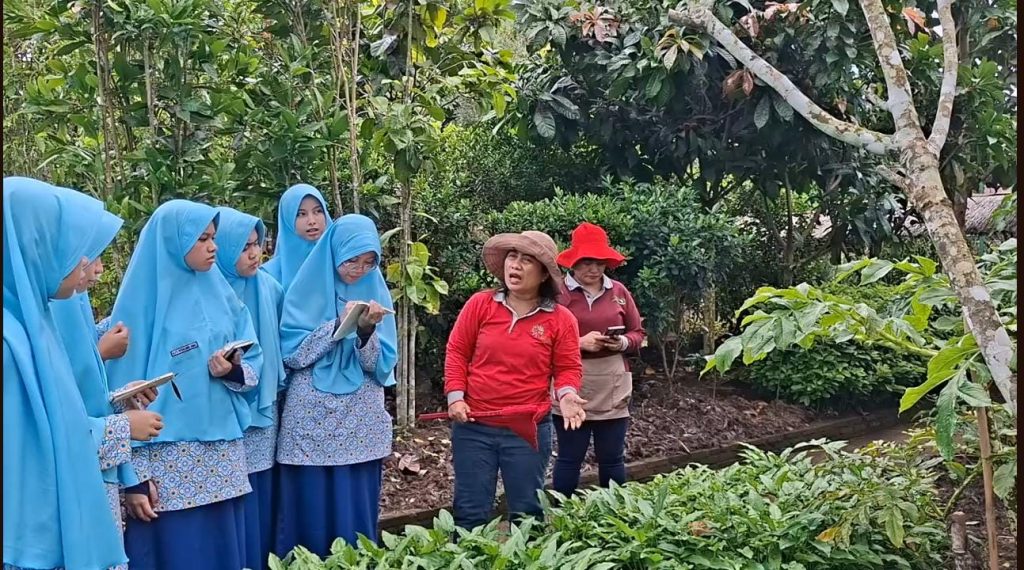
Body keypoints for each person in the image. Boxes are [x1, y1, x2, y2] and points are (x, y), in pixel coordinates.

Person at [104, 200, 264, 570]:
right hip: (166, 464)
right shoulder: (140, 305)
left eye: (213, 238)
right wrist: (134, 479)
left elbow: (253, 359)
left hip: (223, 456)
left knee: (222, 551)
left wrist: (232, 371)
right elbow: (121, 396)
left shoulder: (222, 295)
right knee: (178, 552)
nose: (213, 247)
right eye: (202, 239)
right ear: (173, 242)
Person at [3, 177, 130, 570]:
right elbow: (34, 445)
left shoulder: (33, 323)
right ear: (36, 247)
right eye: (73, 251)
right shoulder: (9, 342)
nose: (87, 265)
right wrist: (122, 428)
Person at [444, 230, 586, 531]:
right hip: (474, 426)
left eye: (527, 260)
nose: (516, 265)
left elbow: (567, 368)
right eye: (512, 256)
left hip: (527, 429)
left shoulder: (561, 319)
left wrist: (567, 395)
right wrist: (455, 397)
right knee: (470, 511)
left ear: (544, 274)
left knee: (527, 513)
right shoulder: (480, 304)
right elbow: (457, 351)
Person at [275, 214, 398, 557]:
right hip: (310, 418)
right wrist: (336, 327)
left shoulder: (375, 291)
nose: (359, 270)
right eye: (351, 260)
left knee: (353, 501)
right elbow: (292, 355)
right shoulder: (303, 290)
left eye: (369, 262)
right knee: (308, 501)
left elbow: (381, 367)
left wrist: (366, 330)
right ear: (333, 253)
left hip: (360, 419)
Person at [48, 188, 163, 543]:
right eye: (89, 256)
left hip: (94, 472)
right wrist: (122, 426)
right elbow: (48, 420)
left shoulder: (70, 300)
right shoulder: (48, 311)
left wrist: (118, 401)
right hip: (64, 489)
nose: (96, 269)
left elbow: (80, 393)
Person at [213, 206, 287, 570]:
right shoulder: (209, 292)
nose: (254, 253)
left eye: (257, 244)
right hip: (221, 412)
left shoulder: (270, 288)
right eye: (243, 247)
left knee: (259, 495)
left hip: (263, 409)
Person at [551, 222, 645, 497]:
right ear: (574, 262)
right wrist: (579, 343)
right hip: (571, 382)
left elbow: (638, 332)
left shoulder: (619, 292)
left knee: (612, 458)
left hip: (612, 381)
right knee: (570, 457)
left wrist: (622, 342)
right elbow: (542, 340)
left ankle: (614, 511)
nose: (594, 269)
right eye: (587, 262)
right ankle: (564, 512)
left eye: (600, 262)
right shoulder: (558, 294)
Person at [261, 184, 332, 290]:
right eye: (301, 214)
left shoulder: (343, 263)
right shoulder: (269, 276)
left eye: (318, 211)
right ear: (287, 220)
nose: (312, 221)